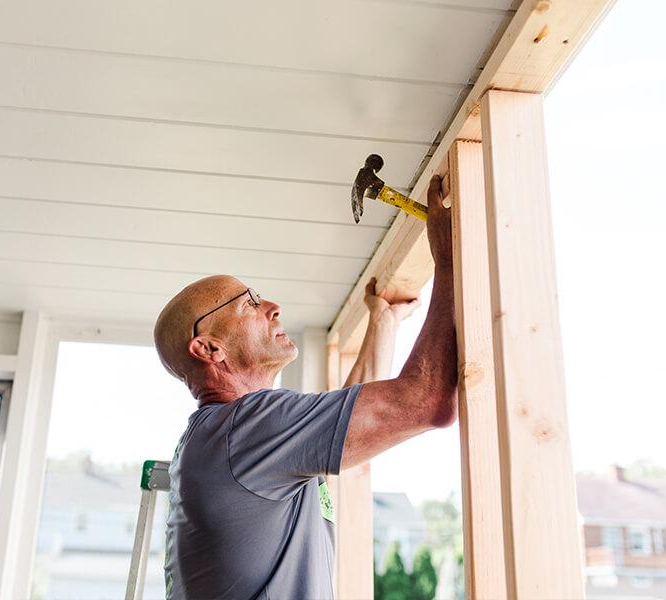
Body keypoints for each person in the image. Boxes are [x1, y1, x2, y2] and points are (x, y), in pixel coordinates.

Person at [153, 175, 458, 599]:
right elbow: (429, 400)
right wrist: (450, 259)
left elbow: (347, 424)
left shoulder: (229, 438)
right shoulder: (246, 427)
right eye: (250, 305)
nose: (274, 308)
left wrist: (383, 322)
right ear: (209, 348)